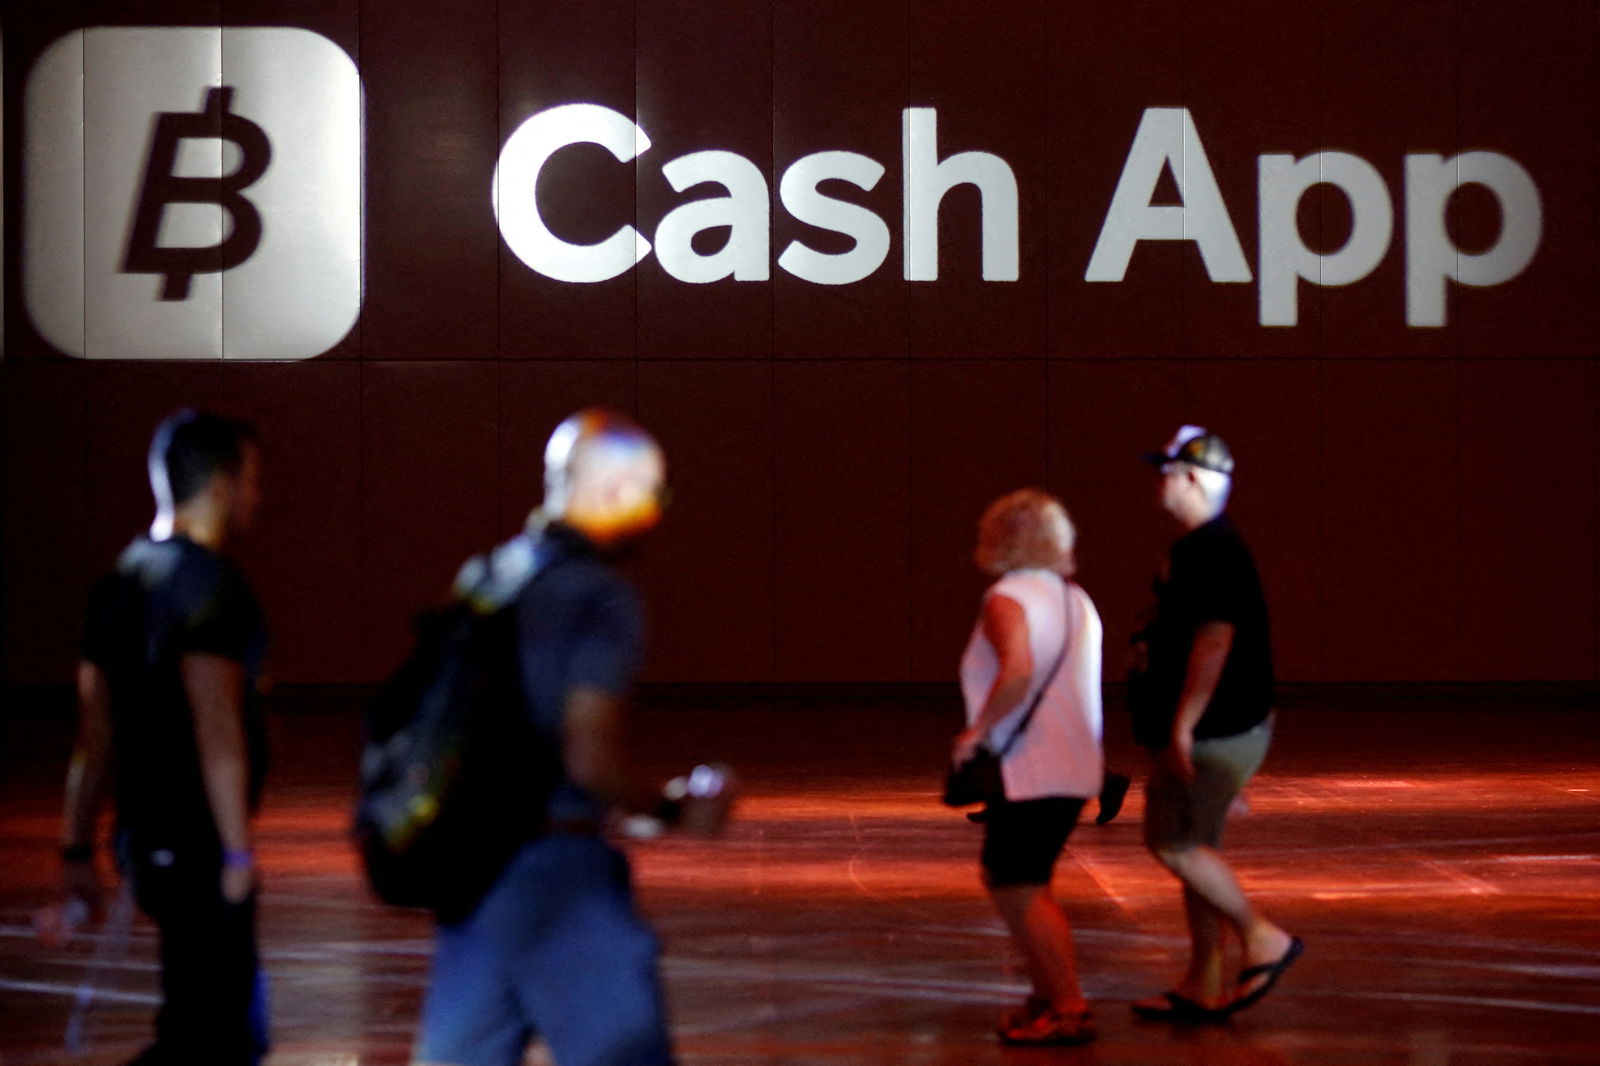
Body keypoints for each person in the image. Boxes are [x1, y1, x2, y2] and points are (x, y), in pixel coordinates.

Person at [413, 408, 677, 1066]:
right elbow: (587, 759)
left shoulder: (485, 578)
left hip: (474, 869)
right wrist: (669, 807)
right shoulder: (601, 596)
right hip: (560, 873)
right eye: (654, 493)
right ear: (617, 491)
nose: (656, 512)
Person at [53, 410, 269, 1065]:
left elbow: (95, 733)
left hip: (144, 840)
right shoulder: (208, 584)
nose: (258, 496)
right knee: (217, 1037)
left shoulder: (117, 582)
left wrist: (75, 847)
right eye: (253, 479)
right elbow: (216, 724)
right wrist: (237, 853)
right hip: (197, 842)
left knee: (204, 1021)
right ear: (223, 485)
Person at [1128, 426, 1303, 1023]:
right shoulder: (1193, 549)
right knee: (1192, 847)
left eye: (1168, 471)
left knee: (1173, 843)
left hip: (1215, 727)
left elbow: (1216, 638)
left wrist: (1183, 726)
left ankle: (1263, 939)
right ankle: (1202, 980)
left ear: (1195, 480)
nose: (1160, 481)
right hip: (1206, 728)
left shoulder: (1214, 550)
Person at [951, 489, 1105, 1046]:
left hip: (1031, 765)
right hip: (1075, 762)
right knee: (1016, 877)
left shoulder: (1007, 597)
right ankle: (1045, 994)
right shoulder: (1075, 599)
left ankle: (1067, 1005)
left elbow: (1016, 670)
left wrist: (977, 731)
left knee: (1020, 884)